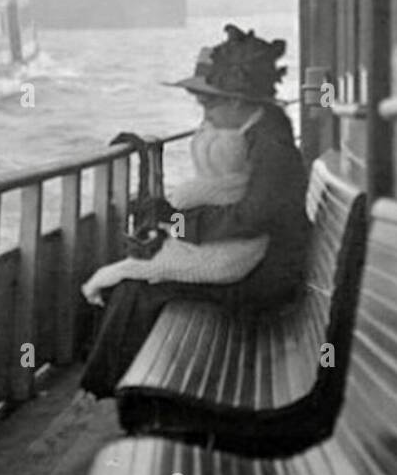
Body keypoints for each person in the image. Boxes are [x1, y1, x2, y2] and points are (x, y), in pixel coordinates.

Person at [79, 24, 310, 399]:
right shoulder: (254, 127)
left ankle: (118, 395)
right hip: (252, 257)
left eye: (209, 106)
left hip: (268, 276)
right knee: (135, 286)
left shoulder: (272, 144)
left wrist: (176, 223)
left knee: (140, 289)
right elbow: (228, 204)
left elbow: (250, 218)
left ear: (237, 100)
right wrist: (168, 216)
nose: (205, 117)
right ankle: (110, 388)